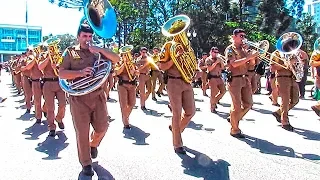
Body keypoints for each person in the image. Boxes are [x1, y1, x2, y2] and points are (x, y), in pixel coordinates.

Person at [59, 23, 120, 176]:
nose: (87, 39)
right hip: (78, 98)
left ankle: (94, 145)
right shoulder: (70, 52)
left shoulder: (97, 51)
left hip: (98, 96)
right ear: (78, 37)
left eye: (90, 36)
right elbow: (61, 73)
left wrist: (99, 50)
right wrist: (80, 72)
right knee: (82, 133)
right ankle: (86, 163)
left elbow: (116, 59)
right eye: (84, 36)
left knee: (102, 127)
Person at [159, 40, 196, 154]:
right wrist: (174, 58)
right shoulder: (168, 46)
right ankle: (177, 144)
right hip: (173, 81)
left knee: (191, 111)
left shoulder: (187, 45)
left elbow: (192, 63)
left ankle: (176, 130)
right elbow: (161, 66)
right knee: (177, 113)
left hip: (187, 82)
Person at [224, 28, 258, 138]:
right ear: (234, 37)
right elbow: (233, 64)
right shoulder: (230, 50)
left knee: (249, 104)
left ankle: (234, 119)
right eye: (241, 36)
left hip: (245, 78)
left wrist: (252, 57)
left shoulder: (244, 50)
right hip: (234, 79)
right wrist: (248, 57)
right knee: (237, 105)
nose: (243, 38)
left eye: (244, 36)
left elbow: (251, 65)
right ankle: (234, 129)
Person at [270, 46, 300, 131]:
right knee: (285, 100)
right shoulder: (276, 53)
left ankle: (279, 113)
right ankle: (285, 121)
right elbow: (272, 68)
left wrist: (296, 63)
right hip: (282, 78)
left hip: (292, 78)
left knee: (295, 100)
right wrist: (287, 64)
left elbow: (297, 65)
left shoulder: (292, 52)